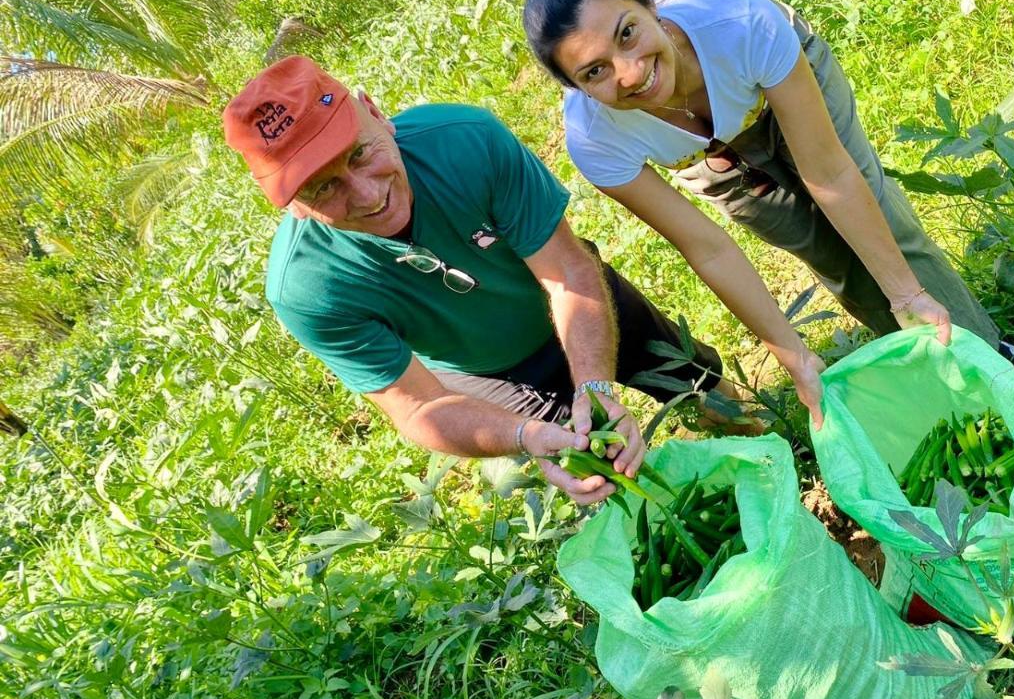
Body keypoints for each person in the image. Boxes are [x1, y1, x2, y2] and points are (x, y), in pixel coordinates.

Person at [520, 0, 1014, 424]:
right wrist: (794, 356)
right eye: (596, 71)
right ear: (578, 88)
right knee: (829, 254)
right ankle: (933, 369)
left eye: (628, 33)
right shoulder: (595, 140)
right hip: (707, 154)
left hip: (778, 85)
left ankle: (996, 371)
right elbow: (708, 247)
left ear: (649, 5)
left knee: (881, 231)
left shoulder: (735, 23)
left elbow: (830, 174)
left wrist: (907, 291)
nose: (630, 74)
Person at [222, 55, 742, 505]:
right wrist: (525, 435)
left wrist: (595, 385)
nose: (365, 196)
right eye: (323, 188)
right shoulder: (308, 286)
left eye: (360, 153)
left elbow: (567, 272)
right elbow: (418, 406)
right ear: (296, 206)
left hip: (571, 298)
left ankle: (771, 447)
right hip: (488, 373)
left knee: (698, 384)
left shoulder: (464, 143)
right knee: (603, 479)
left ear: (376, 112)